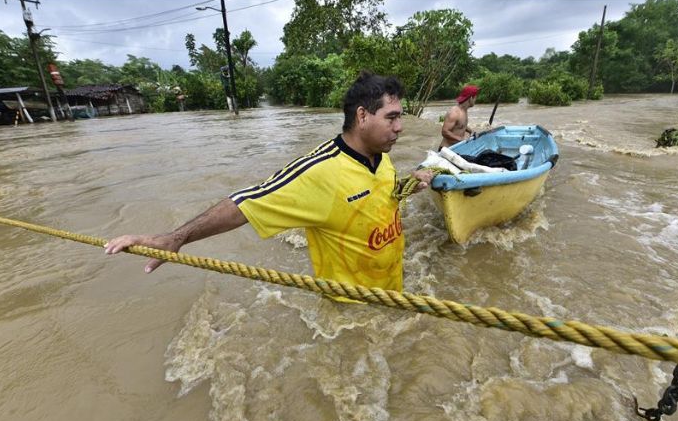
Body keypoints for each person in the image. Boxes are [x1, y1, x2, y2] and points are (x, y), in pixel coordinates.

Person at [104, 72, 434, 298]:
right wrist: (174, 238)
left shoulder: (382, 157)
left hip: (394, 291)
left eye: (400, 117)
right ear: (362, 116)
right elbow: (244, 204)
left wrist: (408, 185)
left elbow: (381, 197)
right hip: (353, 309)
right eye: (392, 117)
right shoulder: (317, 172)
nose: (400, 127)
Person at [439, 85, 479, 150]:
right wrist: (461, 139)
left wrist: (471, 131)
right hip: (447, 149)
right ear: (471, 98)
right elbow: (445, 132)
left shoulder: (464, 110)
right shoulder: (454, 113)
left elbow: (461, 125)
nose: (475, 100)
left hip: (457, 148)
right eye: (475, 98)